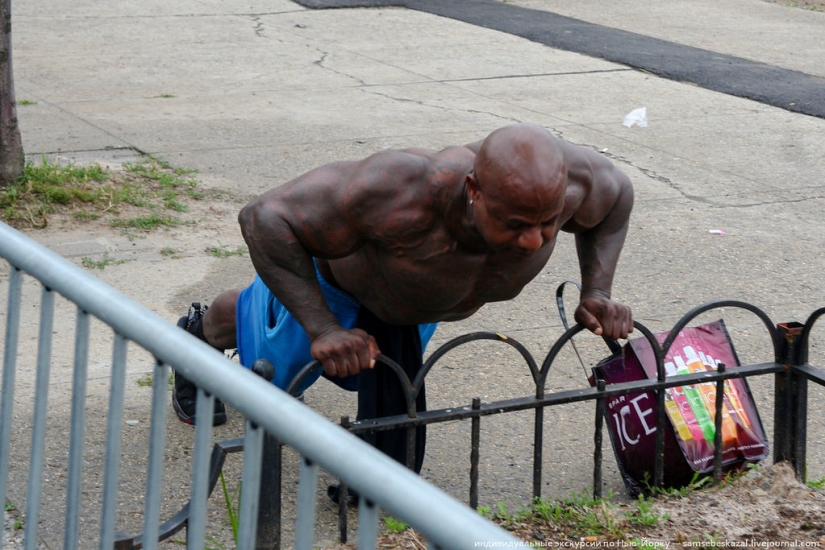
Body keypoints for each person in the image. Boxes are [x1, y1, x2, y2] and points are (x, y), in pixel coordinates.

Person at [172, 122, 634, 476]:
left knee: (373, 382)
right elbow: (264, 218)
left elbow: (616, 202)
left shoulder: (576, 181)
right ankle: (198, 338)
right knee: (274, 362)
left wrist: (597, 291)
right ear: (474, 190)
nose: (534, 241)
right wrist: (324, 327)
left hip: (413, 302)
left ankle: (376, 478)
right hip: (339, 287)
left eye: (548, 222)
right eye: (515, 223)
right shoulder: (401, 190)